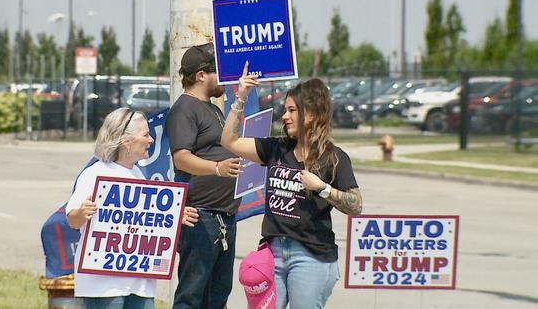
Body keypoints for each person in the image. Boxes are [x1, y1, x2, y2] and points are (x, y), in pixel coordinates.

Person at [221, 62, 363, 309]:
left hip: (311, 256)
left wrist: (323, 187)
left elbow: (356, 205)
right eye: (284, 110)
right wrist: (240, 97)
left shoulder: (334, 158)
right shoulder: (276, 149)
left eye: (291, 110)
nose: (284, 116)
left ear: (310, 114)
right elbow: (229, 140)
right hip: (272, 253)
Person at [66, 107, 199, 309]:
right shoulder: (95, 173)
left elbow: (145, 219)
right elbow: (72, 220)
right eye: (145, 135)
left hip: (140, 284)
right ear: (126, 142)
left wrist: (173, 215)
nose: (151, 140)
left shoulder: (138, 173)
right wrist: (82, 212)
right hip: (103, 287)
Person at [166, 42, 244, 309]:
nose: (224, 78)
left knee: (218, 295)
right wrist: (217, 169)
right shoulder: (184, 109)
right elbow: (181, 158)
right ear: (201, 75)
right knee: (192, 294)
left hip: (224, 215)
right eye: (218, 72)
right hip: (200, 216)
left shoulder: (213, 108)